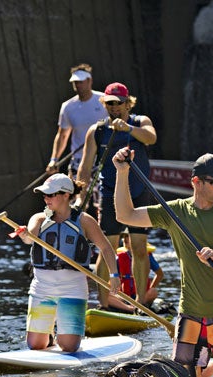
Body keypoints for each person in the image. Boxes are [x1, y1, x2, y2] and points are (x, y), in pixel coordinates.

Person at [112, 149, 213, 377]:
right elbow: (125, 215)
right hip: (191, 310)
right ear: (196, 182)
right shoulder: (174, 212)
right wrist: (122, 172)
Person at [15, 173, 119, 352]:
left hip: (73, 289)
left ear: (65, 195)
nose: (46, 198)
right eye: (45, 194)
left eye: (51, 194)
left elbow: (106, 248)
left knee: (69, 347)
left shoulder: (84, 221)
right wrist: (25, 234)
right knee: (35, 345)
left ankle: (61, 334)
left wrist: (114, 275)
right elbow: (29, 238)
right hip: (42, 288)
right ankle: (47, 335)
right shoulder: (39, 218)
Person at [76, 82, 157, 310]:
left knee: (139, 248)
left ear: (127, 103)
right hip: (110, 193)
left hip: (138, 192)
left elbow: (151, 138)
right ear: (105, 104)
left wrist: (128, 130)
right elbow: (84, 168)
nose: (114, 108)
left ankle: (141, 304)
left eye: (119, 103)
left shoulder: (140, 122)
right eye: (110, 103)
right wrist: (80, 196)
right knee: (106, 247)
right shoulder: (97, 131)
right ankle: (104, 304)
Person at [46, 63, 108, 176]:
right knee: (77, 193)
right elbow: (62, 135)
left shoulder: (105, 100)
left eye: (81, 82)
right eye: (75, 82)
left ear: (90, 81)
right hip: (78, 162)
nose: (78, 85)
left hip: (103, 160)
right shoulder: (68, 107)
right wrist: (53, 160)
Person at [106, 232, 163, 313]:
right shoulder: (119, 258)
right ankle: (131, 309)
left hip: (142, 295)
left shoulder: (147, 256)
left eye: (128, 236)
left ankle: (137, 305)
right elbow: (112, 279)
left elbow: (160, 274)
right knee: (105, 295)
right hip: (125, 296)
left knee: (153, 292)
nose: (125, 239)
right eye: (124, 237)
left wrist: (150, 288)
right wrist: (111, 290)